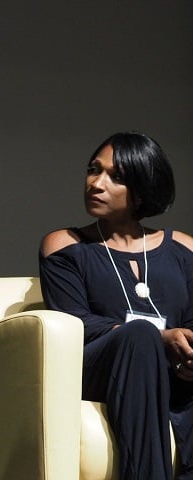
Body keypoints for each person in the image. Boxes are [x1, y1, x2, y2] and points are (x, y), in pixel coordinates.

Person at [38, 131, 193, 480]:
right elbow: (75, 322)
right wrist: (161, 337)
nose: (96, 183)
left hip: (173, 375)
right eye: (94, 170)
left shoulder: (183, 249)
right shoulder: (65, 245)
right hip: (97, 367)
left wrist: (186, 351)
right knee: (140, 336)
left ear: (141, 192)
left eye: (115, 176)